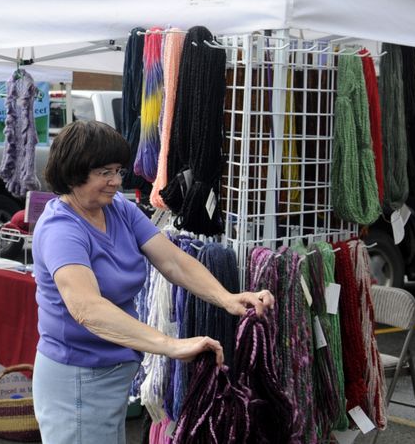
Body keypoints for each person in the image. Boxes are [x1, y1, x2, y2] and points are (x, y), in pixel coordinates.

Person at [31, 120, 276, 443]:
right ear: (74, 171)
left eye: (118, 170)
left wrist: (227, 297)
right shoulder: (61, 230)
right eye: (105, 172)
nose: (116, 181)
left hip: (112, 371)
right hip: (78, 380)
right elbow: (87, 309)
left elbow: (173, 261)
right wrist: (171, 346)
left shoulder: (117, 209)